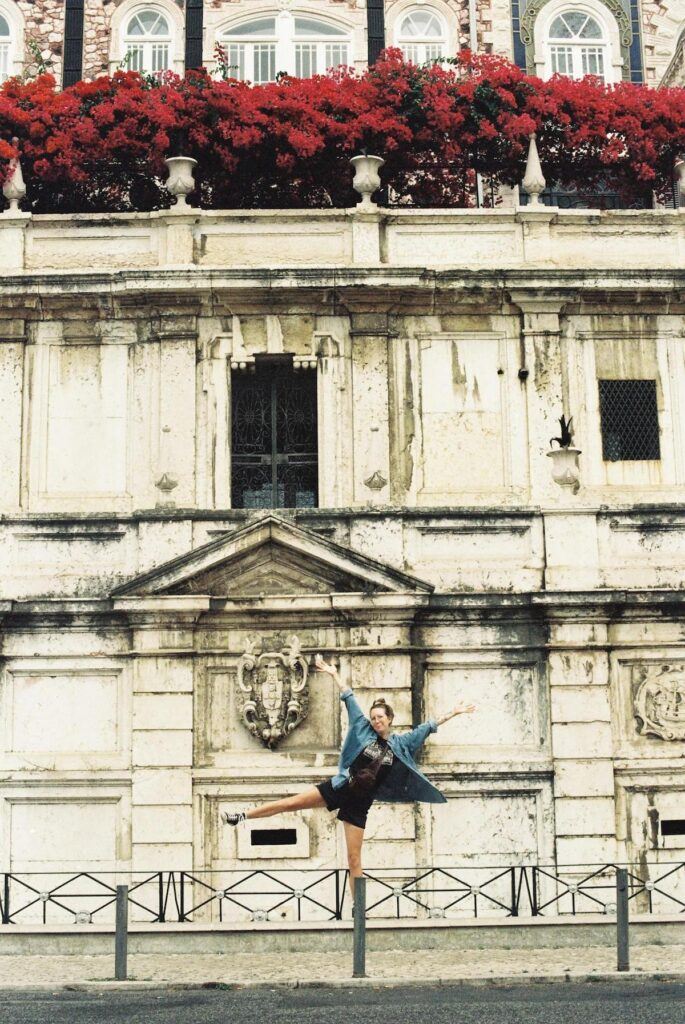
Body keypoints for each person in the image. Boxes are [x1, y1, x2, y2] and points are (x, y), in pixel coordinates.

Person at [222, 654, 476, 895]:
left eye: (380, 718)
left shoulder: (402, 743)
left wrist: (455, 712)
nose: (376, 721)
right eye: (373, 717)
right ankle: (241, 816)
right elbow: (348, 697)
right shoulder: (362, 728)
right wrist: (334, 674)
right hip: (340, 786)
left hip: (359, 803)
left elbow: (428, 726)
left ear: (389, 720)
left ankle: (358, 912)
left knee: (354, 859)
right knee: (290, 803)